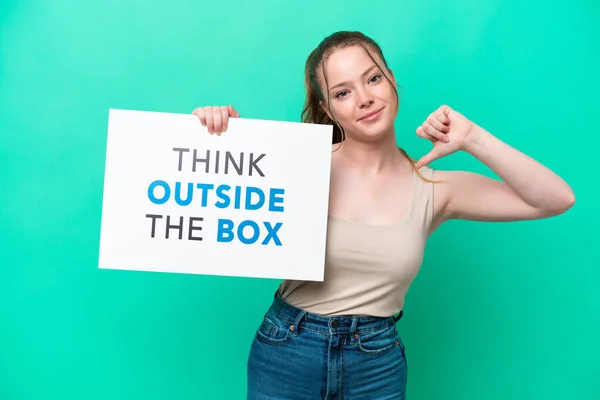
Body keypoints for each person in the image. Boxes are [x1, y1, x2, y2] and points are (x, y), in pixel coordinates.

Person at [192, 31, 575, 400]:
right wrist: (218, 134)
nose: (364, 99)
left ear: (391, 79)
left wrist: (472, 137)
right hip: (287, 350)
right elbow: (211, 194)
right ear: (328, 108)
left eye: (372, 78)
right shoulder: (297, 165)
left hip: (376, 363)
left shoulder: (434, 187)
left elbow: (555, 199)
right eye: (343, 92)